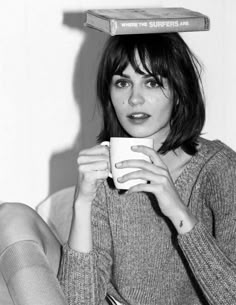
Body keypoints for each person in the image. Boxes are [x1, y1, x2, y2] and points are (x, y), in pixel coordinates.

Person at [1, 32, 236, 305]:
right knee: (12, 216)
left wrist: (177, 211)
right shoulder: (106, 168)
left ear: (179, 90)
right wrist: (83, 202)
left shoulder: (219, 168)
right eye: (122, 83)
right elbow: (81, 300)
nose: (134, 98)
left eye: (151, 82)